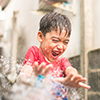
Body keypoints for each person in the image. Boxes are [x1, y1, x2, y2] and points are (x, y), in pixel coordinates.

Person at [17, 12, 91, 99]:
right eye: (55, 40)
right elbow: (24, 74)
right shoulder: (35, 52)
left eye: (65, 42)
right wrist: (29, 79)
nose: (60, 46)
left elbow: (71, 70)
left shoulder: (62, 61)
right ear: (41, 36)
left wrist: (73, 78)